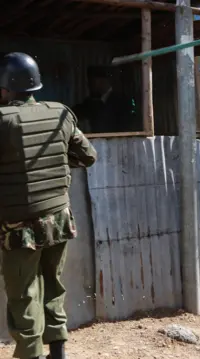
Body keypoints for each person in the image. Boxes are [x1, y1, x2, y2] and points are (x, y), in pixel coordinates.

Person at [0, 52, 97, 359]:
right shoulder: (61, 113)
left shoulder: (2, 121)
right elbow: (88, 156)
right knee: (53, 284)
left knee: (23, 293)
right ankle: (58, 351)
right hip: (58, 219)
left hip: (19, 226)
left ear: (5, 88)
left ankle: (31, 354)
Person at [72, 65, 138, 133]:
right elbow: (77, 112)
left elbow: (127, 126)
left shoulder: (122, 101)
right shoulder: (89, 102)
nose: (89, 84)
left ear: (103, 80)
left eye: (92, 81)